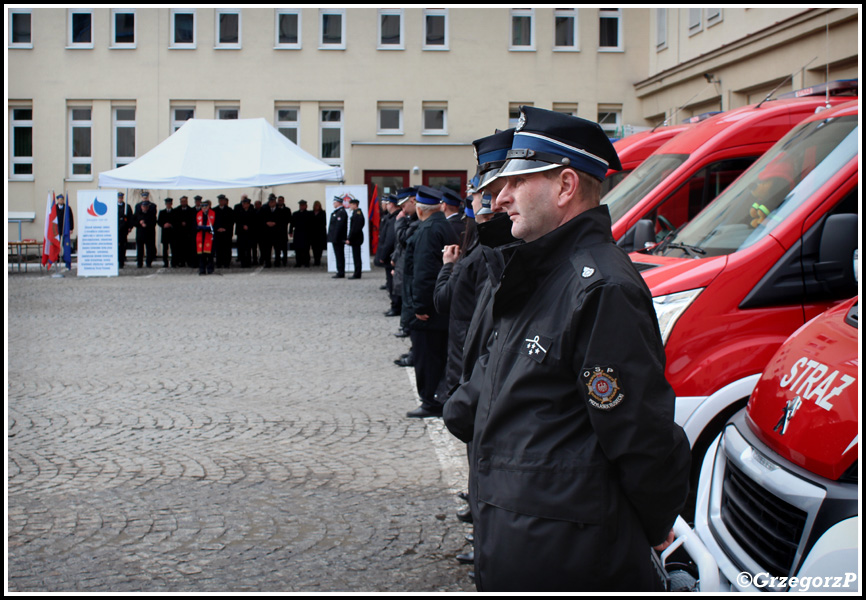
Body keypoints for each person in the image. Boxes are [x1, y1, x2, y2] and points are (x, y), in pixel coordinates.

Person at [443, 106, 691, 591]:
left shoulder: (601, 288)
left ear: (564, 186)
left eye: (517, 181)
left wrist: (656, 524)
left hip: (567, 552)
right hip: (522, 536)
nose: (502, 196)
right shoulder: (537, 270)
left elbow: (641, 437)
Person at [405, 186, 459, 418]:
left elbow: (424, 272)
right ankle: (436, 397)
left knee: (427, 355)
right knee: (436, 354)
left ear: (419, 209)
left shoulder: (428, 229)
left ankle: (430, 401)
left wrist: (420, 307)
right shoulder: (442, 224)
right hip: (440, 304)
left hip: (429, 310)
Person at [376, 195, 401, 315]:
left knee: (393, 283)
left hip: (391, 256)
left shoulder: (394, 218)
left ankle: (395, 306)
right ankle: (395, 305)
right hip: (390, 255)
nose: (385, 205)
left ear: (391, 204)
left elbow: (390, 240)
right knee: (390, 282)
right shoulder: (390, 217)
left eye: (387, 203)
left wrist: (383, 256)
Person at [133, 191, 158, 268]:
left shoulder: (153, 207)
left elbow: (153, 220)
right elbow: (134, 220)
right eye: (144, 198)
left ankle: (148, 262)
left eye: (146, 198)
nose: (145, 207)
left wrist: (146, 223)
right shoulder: (137, 207)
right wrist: (139, 223)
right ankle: (139, 263)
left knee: (149, 248)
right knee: (140, 249)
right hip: (140, 233)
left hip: (149, 232)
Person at [173, 195, 197, 268]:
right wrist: (180, 223)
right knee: (180, 248)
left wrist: (187, 223)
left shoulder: (191, 210)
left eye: (185, 201)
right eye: (182, 201)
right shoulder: (176, 210)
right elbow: (174, 221)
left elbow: (193, 220)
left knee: (189, 248)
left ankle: (189, 261)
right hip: (179, 233)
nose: (183, 202)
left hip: (188, 232)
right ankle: (181, 262)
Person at [327, 196, 348, 278]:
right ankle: (339, 270)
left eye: (334, 202)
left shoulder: (341, 212)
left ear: (338, 202)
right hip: (335, 238)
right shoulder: (337, 212)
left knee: (339, 255)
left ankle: (341, 272)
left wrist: (335, 237)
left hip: (338, 238)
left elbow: (339, 227)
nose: (333, 204)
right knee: (338, 255)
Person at [213, 194, 235, 268]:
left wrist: (225, 228)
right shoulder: (214, 210)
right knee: (218, 248)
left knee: (227, 248)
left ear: (225, 201)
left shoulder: (229, 210)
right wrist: (217, 228)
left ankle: (226, 263)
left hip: (226, 232)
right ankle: (219, 262)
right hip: (218, 232)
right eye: (220, 200)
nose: (221, 201)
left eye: (222, 200)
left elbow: (231, 221)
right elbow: (213, 221)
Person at [234, 195, 256, 268]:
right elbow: (237, 220)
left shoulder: (252, 211)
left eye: (245, 203)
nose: (243, 205)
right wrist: (242, 226)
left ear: (248, 204)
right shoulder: (239, 211)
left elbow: (254, 221)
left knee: (248, 248)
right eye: (243, 203)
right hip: (241, 232)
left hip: (249, 232)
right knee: (242, 248)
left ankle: (248, 262)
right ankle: (243, 263)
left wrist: (248, 226)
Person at [290, 199, 313, 268]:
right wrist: (290, 231)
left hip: (306, 233)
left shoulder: (309, 214)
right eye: (300, 205)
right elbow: (292, 223)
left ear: (306, 206)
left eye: (303, 205)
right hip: (298, 233)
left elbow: (312, 225)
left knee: (306, 248)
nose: (301, 206)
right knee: (298, 249)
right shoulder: (295, 214)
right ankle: (298, 262)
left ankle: (306, 262)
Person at [196, 199, 216, 275]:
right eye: (203, 206)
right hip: (201, 236)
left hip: (209, 236)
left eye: (206, 206)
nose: (204, 208)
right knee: (201, 255)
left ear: (208, 206)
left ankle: (210, 269)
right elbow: (194, 225)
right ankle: (202, 270)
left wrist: (210, 228)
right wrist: (198, 228)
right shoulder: (198, 214)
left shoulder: (212, 214)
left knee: (210, 255)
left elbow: (215, 225)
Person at [260, 194, 280, 268]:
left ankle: (277, 262)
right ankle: (267, 262)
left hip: (276, 232)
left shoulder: (279, 209)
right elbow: (260, 219)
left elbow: (282, 219)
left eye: (273, 201)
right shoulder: (264, 209)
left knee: (277, 248)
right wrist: (266, 223)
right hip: (267, 233)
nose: (271, 202)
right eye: (270, 201)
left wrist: (275, 223)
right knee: (267, 249)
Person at [347, 197, 365, 279]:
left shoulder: (357, 214)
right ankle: (357, 272)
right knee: (356, 256)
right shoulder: (356, 213)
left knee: (357, 256)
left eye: (351, 204)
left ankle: (357, 273)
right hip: (356, 238)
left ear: (355, 205)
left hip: (356, 238)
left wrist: (350, 238)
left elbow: (355, 228)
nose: (350, 206)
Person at [117, 192, 133, 268]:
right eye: (119, 198)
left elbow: (130, 218)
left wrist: (130, 227)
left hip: (123, 229)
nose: (120, 199)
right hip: (116, 229)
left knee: (123, 246)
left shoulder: (127, 207)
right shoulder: (113, 206)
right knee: (116, 246)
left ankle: (121, 261)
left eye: (121, 198)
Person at [157, 197, 175, 268]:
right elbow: (159, 221)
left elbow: (176, 221)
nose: (168, 205)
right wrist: (163, 225)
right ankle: (165, 262)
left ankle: (173, 262)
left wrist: (171, 224)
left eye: (169, 203)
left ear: (171, 204)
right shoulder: (162, 212)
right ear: (165, 204)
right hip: (165, 233)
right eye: (167, 204)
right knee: (165, 249)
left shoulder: (174, 212)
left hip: (172, 233)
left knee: (173, 248)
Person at [311, 200, 328, 266]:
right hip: (313, 233)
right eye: (315, 205)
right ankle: (315, 259)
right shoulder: (311, 213)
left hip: (320, 233)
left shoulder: (323, 213)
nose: (316, 207)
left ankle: (318, 260)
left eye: (318, 205)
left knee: (319, 248)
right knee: (314, 247)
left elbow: (324, 222)